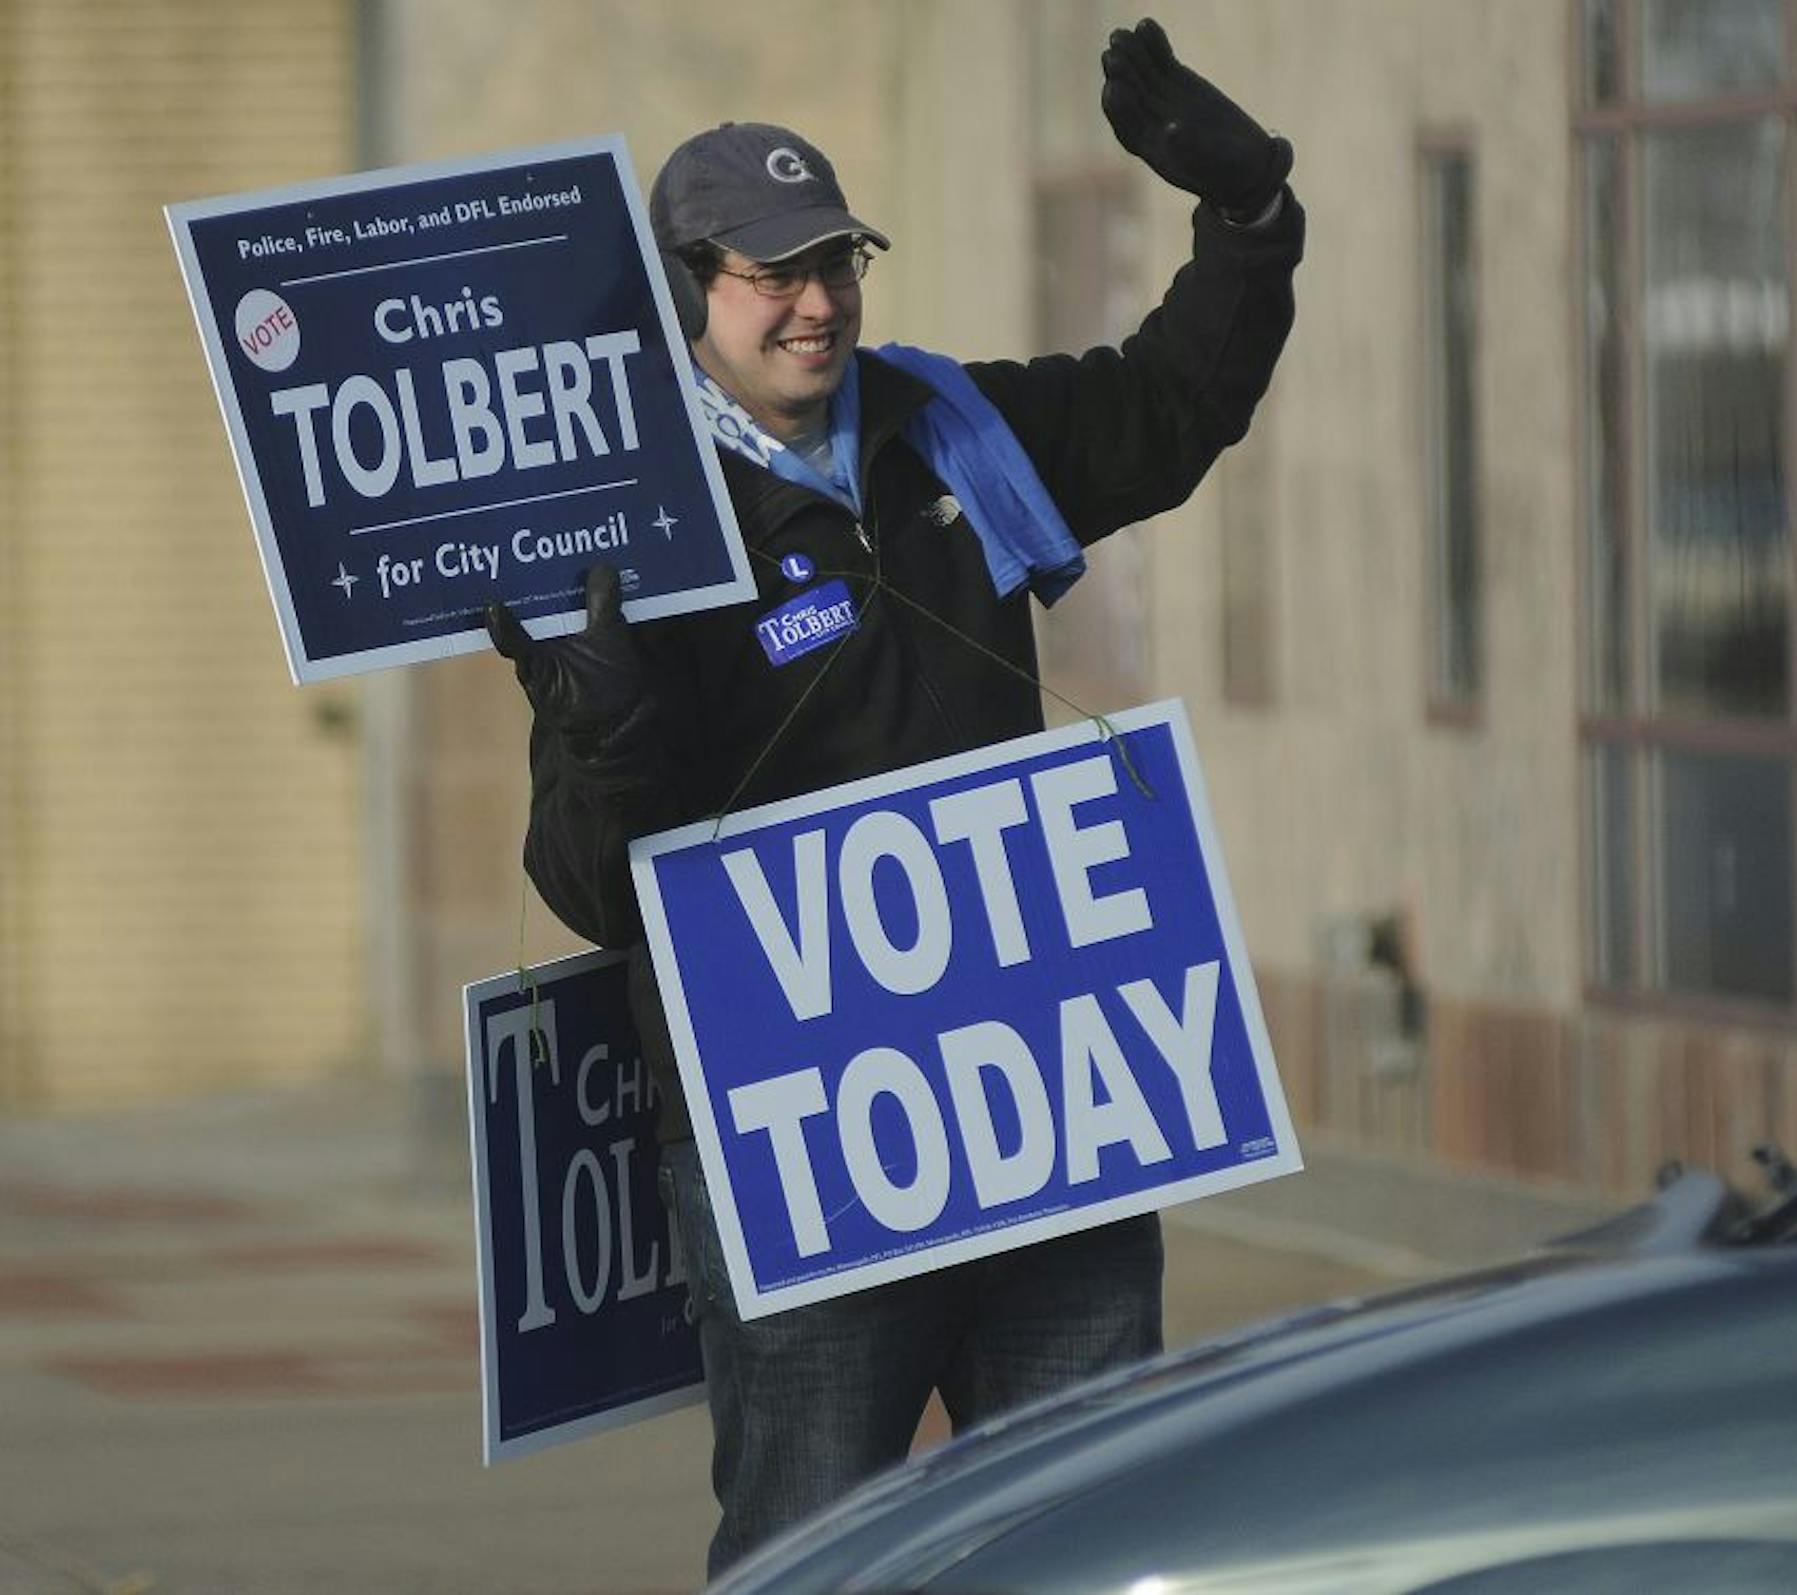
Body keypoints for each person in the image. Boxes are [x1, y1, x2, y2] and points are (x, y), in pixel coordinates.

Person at [487, 16, 1302, 1578]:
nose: (816, 302)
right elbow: (591, 888)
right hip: (799, 1149)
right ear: (686, 297)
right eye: (770, 273)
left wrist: (1252, 218)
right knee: (815, 1547)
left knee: (1087, 1533)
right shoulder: (632, 529)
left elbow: (1170, 401)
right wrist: (604, 740)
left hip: (1048, 1108)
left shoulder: (954, 428)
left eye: (836, 263)